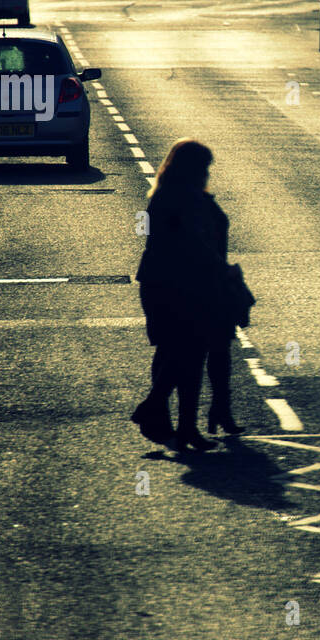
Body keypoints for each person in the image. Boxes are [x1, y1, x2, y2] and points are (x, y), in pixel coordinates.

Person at [132, 139, 241, 451]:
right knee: (182, 354)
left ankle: (180, 426)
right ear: (192, 168)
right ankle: (161, 415)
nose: (208, 172)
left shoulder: (183, 196)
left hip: (181, 284)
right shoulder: (177, 198)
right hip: (173, 287)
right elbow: (192, 243)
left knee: (184, 356)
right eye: (204, 166)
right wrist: (223, 269)